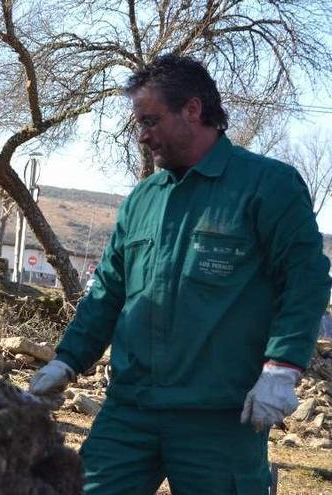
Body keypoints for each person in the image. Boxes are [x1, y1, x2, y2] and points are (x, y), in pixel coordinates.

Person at [29, 54, 331, 493]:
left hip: (219, 417)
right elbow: (108, 294)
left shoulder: (267, 186)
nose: (143, 135)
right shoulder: (143, 200)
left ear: (193, 109)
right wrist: (66, 360)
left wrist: (281, 369)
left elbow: (305, 282)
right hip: (131, 409)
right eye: (139, 123)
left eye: (151, 120)